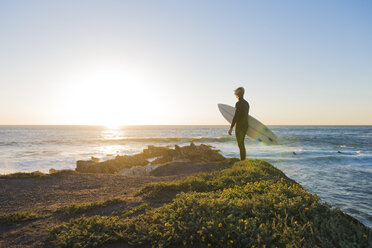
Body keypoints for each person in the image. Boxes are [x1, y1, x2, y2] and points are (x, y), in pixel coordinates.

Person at [228, 87, 249, 160]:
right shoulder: (247, 103)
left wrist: (231, 127)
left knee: (240, 144)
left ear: (237, 94)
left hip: (240, 126)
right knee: (242, 144)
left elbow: (236, 116)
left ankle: (242, 161)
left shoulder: (238, 103)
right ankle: (243, 160)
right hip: (246, 125)